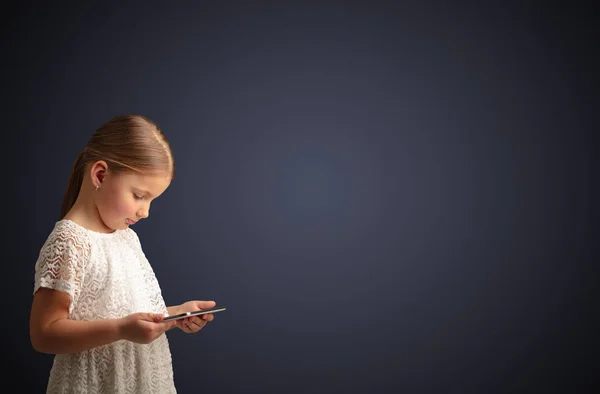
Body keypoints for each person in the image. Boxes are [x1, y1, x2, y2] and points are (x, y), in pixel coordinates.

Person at [29, 114, 217, 393]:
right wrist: (121, 330)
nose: (145, 212)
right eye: (139, 196)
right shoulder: (69, 242)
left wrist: (175, 315)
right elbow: (44, 334)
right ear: (100, 175)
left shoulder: (127, 238)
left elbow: (126, 314)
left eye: (152, 200)